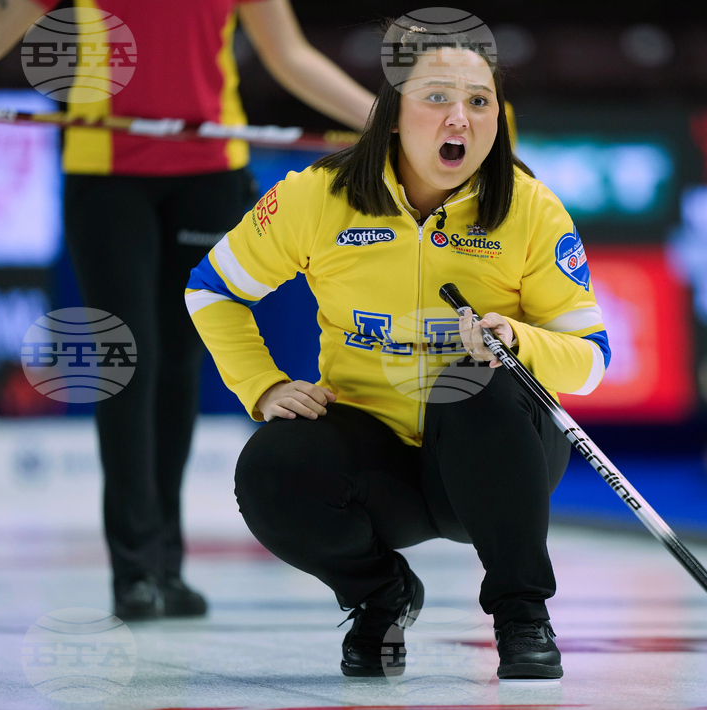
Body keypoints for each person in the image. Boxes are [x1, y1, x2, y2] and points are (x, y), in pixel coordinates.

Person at [185, 26, 611, 679]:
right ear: (390, 114)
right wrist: (262, 384)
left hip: (498, 458)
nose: (458, 117)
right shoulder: (314, 196)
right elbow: (211, 289)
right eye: (437, 96)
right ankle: (380, 598)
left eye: (479, 101)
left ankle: (523, 615)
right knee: (272, 466)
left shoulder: (531, 209)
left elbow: (592, 357)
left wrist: (517, 341)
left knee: (476, 380)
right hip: (376, 462)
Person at [0, 0, 375, 620]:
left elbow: (291, 56)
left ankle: (167, 564)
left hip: (210, 170)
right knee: (129, 359)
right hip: (107, 171)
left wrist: (387, 119)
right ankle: (134, 569)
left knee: (178, 361)